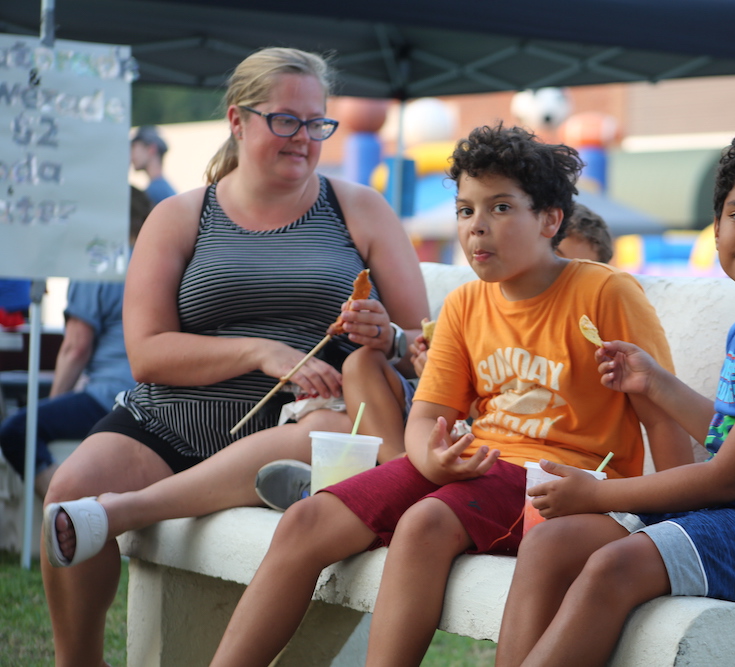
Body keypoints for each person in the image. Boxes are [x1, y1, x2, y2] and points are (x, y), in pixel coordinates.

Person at [206, 123, 691, 667]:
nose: (477, 228)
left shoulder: (605, 291)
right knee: (305, 521)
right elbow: (428, 416)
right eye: (466, 211)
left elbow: (661, 415)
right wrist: (428, 456)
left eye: (500, 208)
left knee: (425, 522)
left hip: (557, 483)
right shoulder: (465, 305)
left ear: (550, 219)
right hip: (477, 465)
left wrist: (674, 523)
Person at [40, 47, 429, 667]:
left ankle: (128, 512)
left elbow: (423, 347)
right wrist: (265, 351)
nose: (303, 137)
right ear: (237, 120)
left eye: (315, 123)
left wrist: (388, 335)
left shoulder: (359, 210)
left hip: (301, 426)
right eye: (285, 120)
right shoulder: (179, 216)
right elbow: (146, 354)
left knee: (325, 431)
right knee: (69, 489)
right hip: (172, 421)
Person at [493, 124, 735, 667]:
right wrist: (654, 382)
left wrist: (597, 495)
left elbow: (729, 476)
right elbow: (731, 439)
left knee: (614, 567)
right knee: (549, 544)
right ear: (716, 227)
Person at [255, 205, 613, 511]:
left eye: (582, 269)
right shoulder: (482, 305)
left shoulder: (592, 331)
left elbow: (505, 414)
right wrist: (422, 359)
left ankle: (354, 488)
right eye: (560, 262)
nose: (566, 278)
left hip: (490, 441)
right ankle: (398, 472)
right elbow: (429, 359)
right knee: (361, 362)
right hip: (426, 427)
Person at [0, 188, 152, 498]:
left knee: (18, 430)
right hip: (154, 398)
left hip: (110, 395)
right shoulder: (159, 264)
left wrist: (52, 404)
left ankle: (67, 508)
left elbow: (75, 347)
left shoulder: (97, 265)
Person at [130, 125, 176, 204]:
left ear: (151, 149)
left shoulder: (156, 191)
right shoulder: (162, 188)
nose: (131, 156)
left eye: (134, 148)